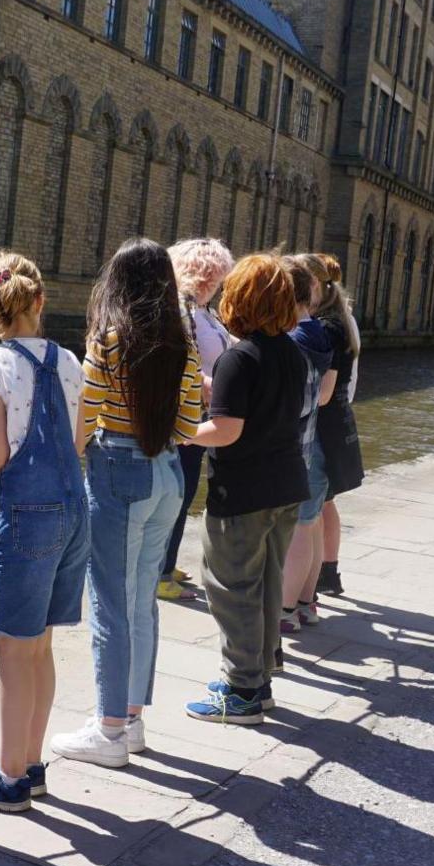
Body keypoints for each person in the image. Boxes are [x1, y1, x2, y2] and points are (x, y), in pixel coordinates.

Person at [49, 239, 206, 769]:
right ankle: (132, 720)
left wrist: (70, 468)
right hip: (167, 476)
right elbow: (187, 427)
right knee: (142, 601)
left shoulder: (108, 339)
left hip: (118, 469)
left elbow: (86, 416)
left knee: (110, 606)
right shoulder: (182, 344)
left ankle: (109, 730)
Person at [0, 251, 89, 813]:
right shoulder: (70, 361)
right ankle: (30, 764)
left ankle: (7, 779)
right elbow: (77, 445)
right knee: (42, 646)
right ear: (40, 301)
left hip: (27, 516)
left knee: (11, 651)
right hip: (74, 508)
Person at [182, 253, 309, 725]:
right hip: (286, 484)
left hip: (244, 491)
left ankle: (241, 692)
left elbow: (227, 432)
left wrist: (181, 431)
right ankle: (261, 676)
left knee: (231, 587)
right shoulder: (290, 351)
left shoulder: (240, 356)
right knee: (268, 582)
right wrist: (216, 386)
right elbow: (267, 406)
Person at [158, 238, 235, 602]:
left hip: (200, 411)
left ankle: (165, 562)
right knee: (179, 489)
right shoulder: (179, 310)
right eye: (215, 276)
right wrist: (208, 384)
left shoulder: (201, 309)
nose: (218, 283)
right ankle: (159, 572)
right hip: (184, 412)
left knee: (185, 489)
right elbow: (175, 362)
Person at [280, 255, 338, 633]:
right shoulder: (326, 332)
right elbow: (324, 396)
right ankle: (305, 603)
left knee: (298, 528)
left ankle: (284, 611)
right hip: (316, 439)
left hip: (294, 446)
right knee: (311, 524)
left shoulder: (293, 340)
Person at [309, 254, 363, 599]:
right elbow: (349, 381)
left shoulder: (326, 328)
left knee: (312, 507)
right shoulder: (342, 319)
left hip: (321, 424)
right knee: (324, 502)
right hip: (338, 419)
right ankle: (328, 572)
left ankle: (309, 583)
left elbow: (325, 391)